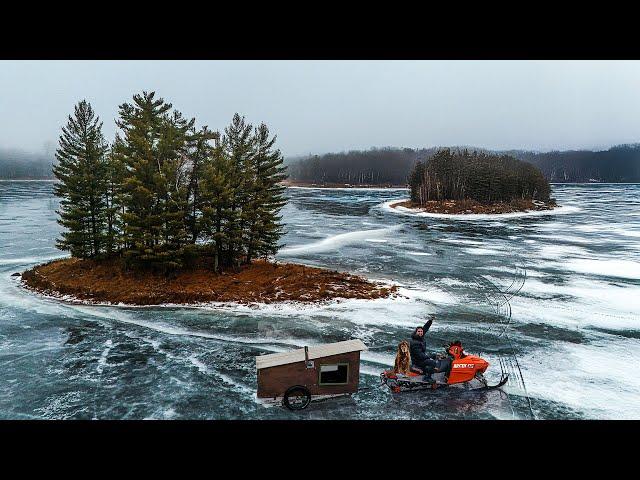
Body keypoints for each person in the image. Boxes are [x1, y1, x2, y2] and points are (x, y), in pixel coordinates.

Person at [409, 316, 438, 382]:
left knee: (434, 355)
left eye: (421, 332)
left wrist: (430, 321)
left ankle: (427, 370)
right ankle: (427, 377)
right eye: (419, 331)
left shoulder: (419, 337)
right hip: (417, 361)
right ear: (416, 332)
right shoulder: (415, 342)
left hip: (421, 358)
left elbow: (425, 328)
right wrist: (429, 357)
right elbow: (420, 355)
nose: (420, 333)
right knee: (432, 362)